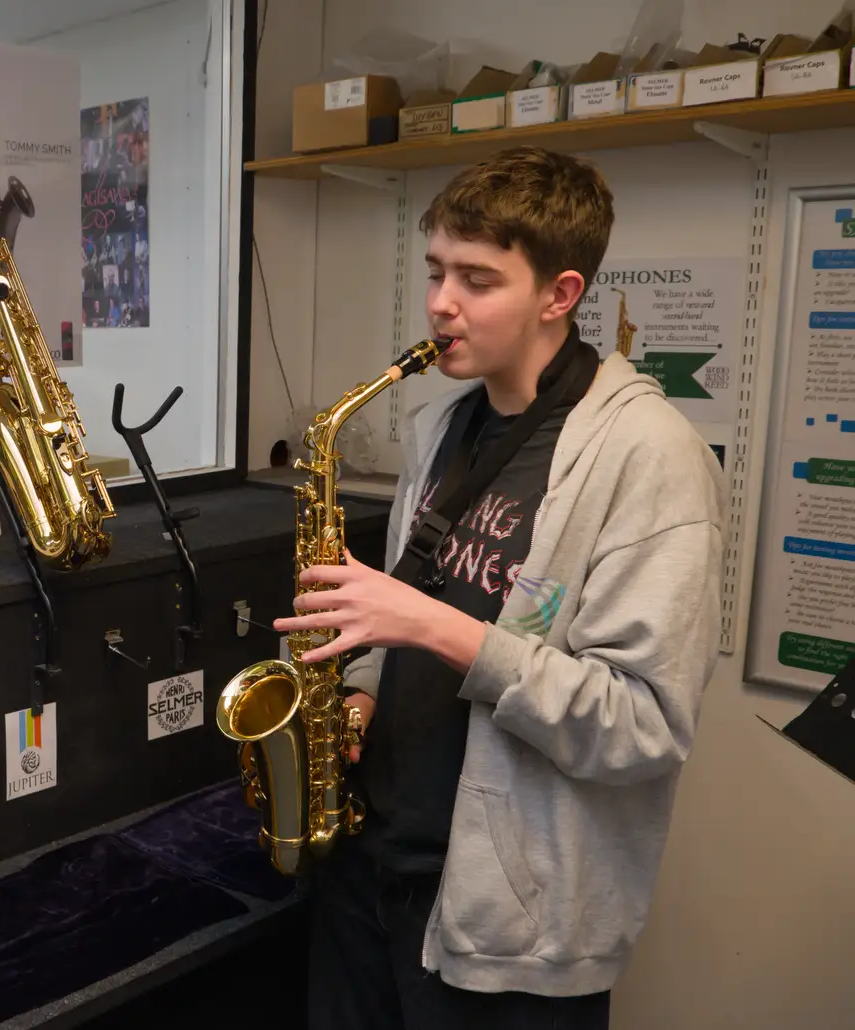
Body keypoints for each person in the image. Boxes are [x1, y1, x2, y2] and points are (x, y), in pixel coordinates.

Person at [274, 145, 725, 1029]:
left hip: (503, 927)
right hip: (370, 873)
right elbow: (401, 605)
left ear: (559, 295)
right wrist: (360, 693)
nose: (442, 303)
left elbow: (644, 726)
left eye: (478, 280)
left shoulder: (652, 458)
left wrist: (440, 629)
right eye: (437, 270)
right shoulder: (444, 424)